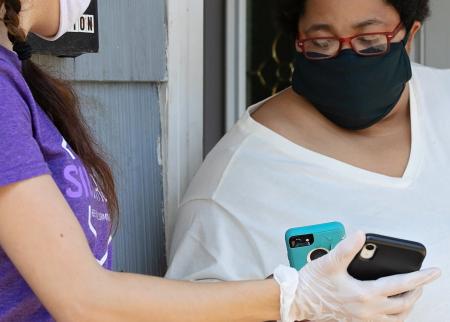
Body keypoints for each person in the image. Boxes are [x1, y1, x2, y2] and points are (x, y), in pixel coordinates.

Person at [0, 0, 440, 321]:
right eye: (322, 42)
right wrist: (294, 297)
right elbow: (82, 300)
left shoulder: (14, 79)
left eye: (369, 41)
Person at [166, 0, 449, 320]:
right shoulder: (235, 181)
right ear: (297, 40)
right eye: (322, 43)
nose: (347, 58)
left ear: (410, 34)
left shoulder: (444, 100)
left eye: (370, 41)